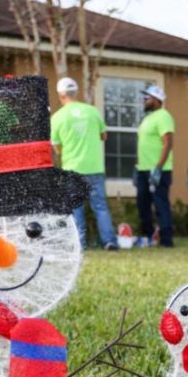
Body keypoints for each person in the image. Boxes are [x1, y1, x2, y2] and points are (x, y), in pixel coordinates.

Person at [50, 77, 118, 251]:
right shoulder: (92, 111)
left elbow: (57, 149)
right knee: (100, 206)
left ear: (61, 95)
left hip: (73, 169)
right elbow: (104, 136)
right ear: (76, 92)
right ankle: (109, 242)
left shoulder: (57, 117)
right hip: (94, 167)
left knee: (76, 208)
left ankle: (79, 245)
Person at [135, 84, 175, 248]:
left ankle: (166, 240)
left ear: (157, 100)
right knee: (142, 204)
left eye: (147, 97)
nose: (144, 100)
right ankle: (149, 236)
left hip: (159, 169)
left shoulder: (164, 116)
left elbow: (168, 143)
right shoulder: (148, 118)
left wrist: (158, 168)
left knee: (160, 204)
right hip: (143, 169)